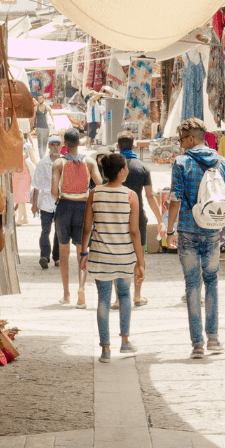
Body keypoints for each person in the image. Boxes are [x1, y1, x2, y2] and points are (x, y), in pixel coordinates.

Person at [167, 117, 225, 359]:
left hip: (189, 231)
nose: (180, 145)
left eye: (181, 140)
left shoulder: (181, 163)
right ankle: (213, 338)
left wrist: (170, 230)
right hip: (213, 231)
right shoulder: (223, 163)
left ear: (191, 138)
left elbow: (175, 200)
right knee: (212, 282)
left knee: (192, 285)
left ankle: (197, 344)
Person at [81, 154, 146, 363]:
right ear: (120, 172)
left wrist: (83, 253)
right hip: (124, 256)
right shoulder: (130, 196)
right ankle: (125, 341)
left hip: (100, 256)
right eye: (125, 167)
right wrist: (140, 261)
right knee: (125, 295)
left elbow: (86, 228)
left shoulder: (95, 193)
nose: (127, 170)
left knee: (103, 299)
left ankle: (105, 349)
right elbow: (134, 232)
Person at [52, 128, 102, 307]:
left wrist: (60, 198)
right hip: (83, 207)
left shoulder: (59, 163)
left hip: (64, 207)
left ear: (65, 143)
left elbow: (53, 191)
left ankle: (66, 294)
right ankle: (81, 289)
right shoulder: (89, 161)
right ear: (79, 142)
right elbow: (98, 183)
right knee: (83, 251)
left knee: (63, 253)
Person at [117, 130, 164, 306]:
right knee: (139, 256)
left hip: (117, 217)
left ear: (118, 146)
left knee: (117, 257)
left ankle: (117, 298)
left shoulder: (114, 165)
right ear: (134, 145)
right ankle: (137, 295)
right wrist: (160, 220)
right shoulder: (142, 167)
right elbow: (150, 196)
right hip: (138, 217)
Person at [32, 135, 62, 269]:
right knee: (45, 230)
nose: (55, 147)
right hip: (45, 202)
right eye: (53, 145)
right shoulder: (42, 163)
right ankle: (44, 256)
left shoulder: (65, 162)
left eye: (57, 145)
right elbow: (36, 185)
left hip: (61, 202)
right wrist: (34, 205)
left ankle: (57, 257)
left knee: (59, 232)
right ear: (49, 146)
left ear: (61, 146)